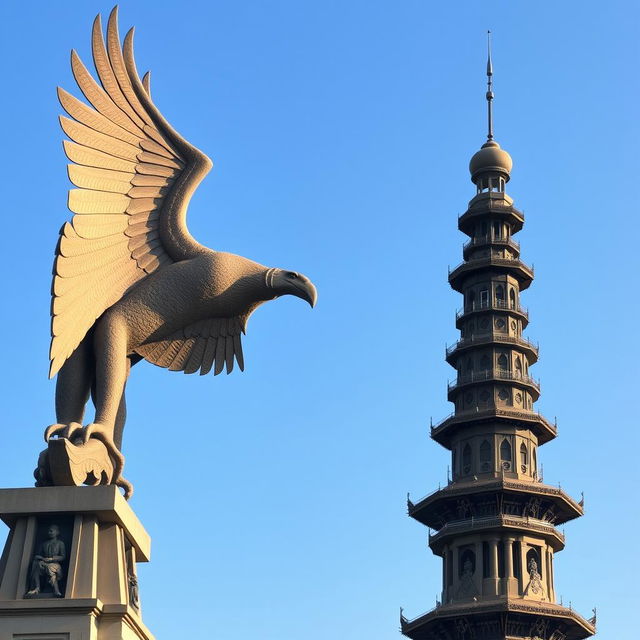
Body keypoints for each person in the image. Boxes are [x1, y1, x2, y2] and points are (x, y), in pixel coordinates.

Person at [25, 524, 66, 597]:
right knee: (36, 565)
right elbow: (37, 555)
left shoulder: (60, 543)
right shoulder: (44, 544)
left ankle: (56, 591)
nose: (49, 532)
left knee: (50, 567)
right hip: (44, 562)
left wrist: (52, 559)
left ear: (57, 532)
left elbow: (63, 556)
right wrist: (41, 558)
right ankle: (37, 588)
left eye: (51, 531)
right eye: (48, 531)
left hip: (55, 564)